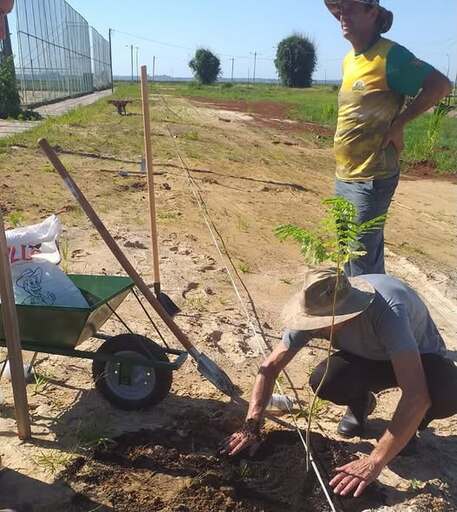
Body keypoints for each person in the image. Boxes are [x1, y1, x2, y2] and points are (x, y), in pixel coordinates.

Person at [221, 267, 457, 498]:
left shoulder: (388, 311)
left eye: (324, 323)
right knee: (327, 380)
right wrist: (251, 424)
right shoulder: (316, 307)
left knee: (447, 392)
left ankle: (411, 426)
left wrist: (374, 461)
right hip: (366, 357)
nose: (316, 329)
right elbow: (270, 367)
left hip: (420, 357)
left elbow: (416, 394)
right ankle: (360, 402)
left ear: (346, 312)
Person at [324, 0, 452, 276]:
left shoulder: (390, 56)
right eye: (340, 9)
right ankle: (364, 301)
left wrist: (400, 123)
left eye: (351, 8)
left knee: (360, 261)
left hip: (372, 176)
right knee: (349, 254)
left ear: (372, 13)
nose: (342, 15)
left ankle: (371, 303)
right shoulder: (350, 60)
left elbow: (440, 85)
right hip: (345, 174)